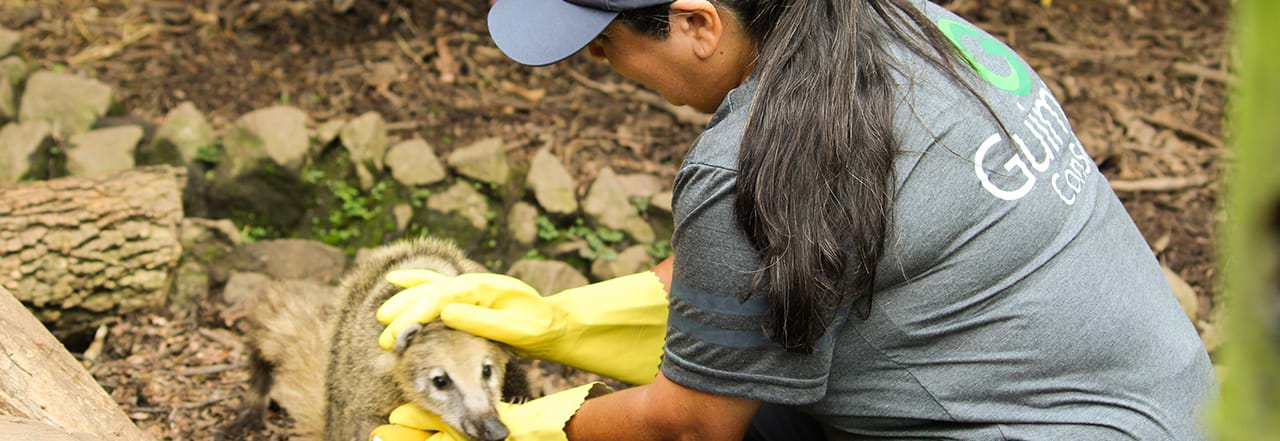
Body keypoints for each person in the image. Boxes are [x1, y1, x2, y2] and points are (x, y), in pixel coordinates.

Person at [370, 0, 1217, 440]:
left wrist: (520, 426)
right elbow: (752, 275)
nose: (596, 62)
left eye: (601, 43)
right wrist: (560, 320)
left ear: (697, 23)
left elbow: (690, 425)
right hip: (1171, 405)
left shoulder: (756, 160)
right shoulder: (888, 24)